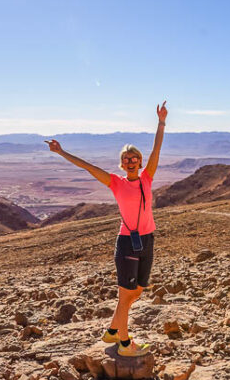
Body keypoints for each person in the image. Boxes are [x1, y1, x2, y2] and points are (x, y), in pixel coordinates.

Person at [45, 101, 167, 357]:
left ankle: (112, 330)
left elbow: (157, 148)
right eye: (126, 159)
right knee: (125, 296)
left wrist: (161, 121)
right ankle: (124, 344)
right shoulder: (115, 183)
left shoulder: (147, 177)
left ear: (140, 161)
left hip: (147, 240)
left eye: (134, 158)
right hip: (127, 243)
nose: (131, 161)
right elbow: (88, 167)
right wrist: (61, 152)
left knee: (137, 292)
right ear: (122, 164)